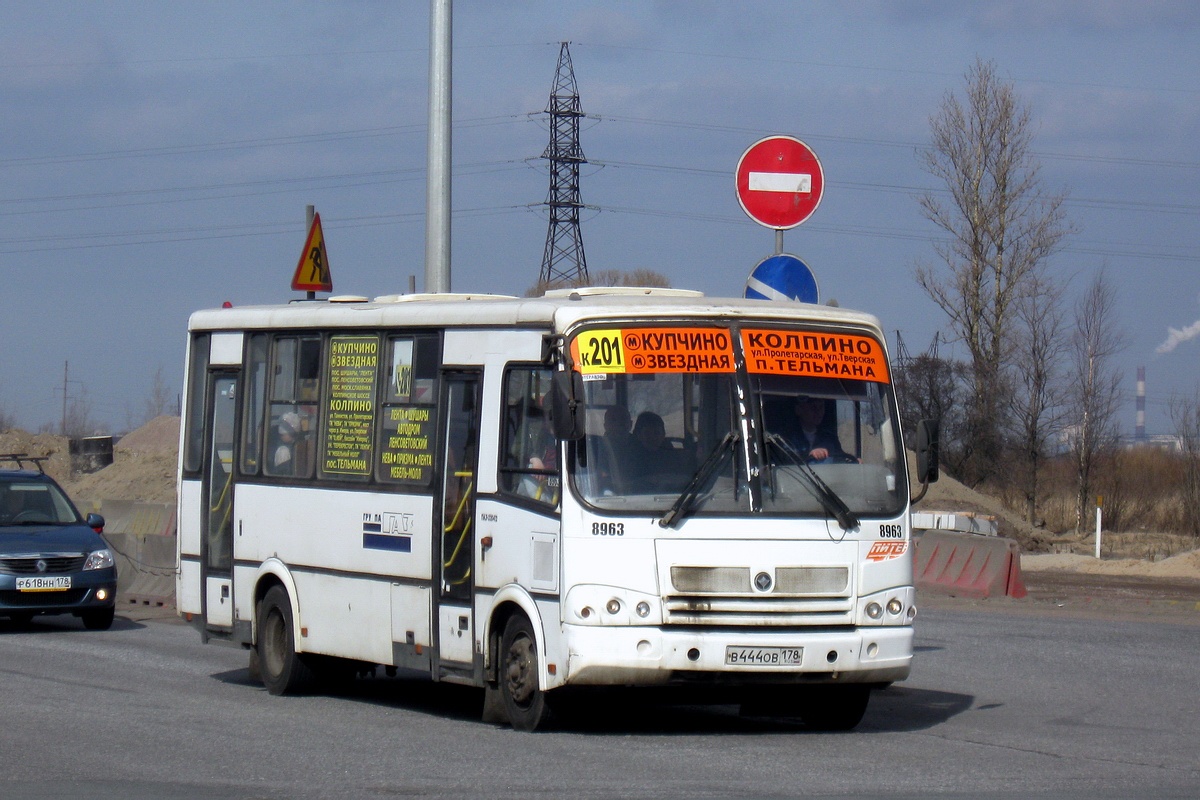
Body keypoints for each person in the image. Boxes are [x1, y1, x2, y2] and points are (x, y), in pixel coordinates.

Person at [789, 396, 850, 462]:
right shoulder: (786, 438)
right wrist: (810, 455)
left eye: (821, 407)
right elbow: (785, 463)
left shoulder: (830, 438)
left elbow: (840, 459)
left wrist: (853, 462)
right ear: (798, 410)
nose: (818, 412)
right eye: (813, 407)